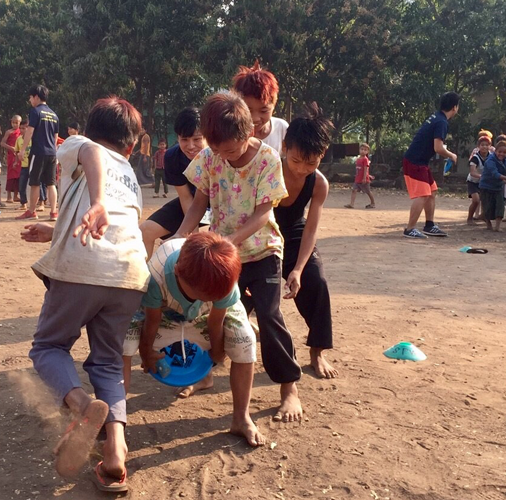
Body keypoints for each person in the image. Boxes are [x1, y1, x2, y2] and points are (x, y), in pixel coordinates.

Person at [21, 97, 148, 492]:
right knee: (108, 363)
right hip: (130, 272)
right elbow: (111, 222)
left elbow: (91, 152)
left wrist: (96, 203)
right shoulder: (130, 174)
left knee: (48, 348)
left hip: (83, 268)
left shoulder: (82, 146)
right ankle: (115, 453)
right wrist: (56, 229)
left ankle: (80, 408)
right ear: (131, 146)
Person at [175, 91, 303, 423]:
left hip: (262, 252)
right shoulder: (209, 156)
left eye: (229, 150)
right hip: (223, 255)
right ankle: (204, 374)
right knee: (208, 317)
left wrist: (230, 241)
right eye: (215, 149)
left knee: (270, 316)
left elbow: (263, 213)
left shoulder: (268, 159)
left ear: (248, 134)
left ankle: (289, 388)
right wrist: (179, 237)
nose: (222, 156)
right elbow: (199, 203)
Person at [122, 233, 264, 446]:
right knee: (123, 341)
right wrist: (146, 350)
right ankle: (116, 418)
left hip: (211, 314)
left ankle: (241, 417)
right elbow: (152, 319)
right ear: (178, 273)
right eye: (201, 295)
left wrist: (217, 353)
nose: (204, 299)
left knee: (245, 339)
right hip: (164, 309)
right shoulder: (156, 275)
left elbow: (216, 320)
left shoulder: (223, 276)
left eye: (211, 297)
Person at [275, 104, 339, 380]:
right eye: (297, 160)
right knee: (246, 287)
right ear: (285, 147)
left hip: (295, 231)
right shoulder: (268, 170)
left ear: (322, 155)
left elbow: (311, 228)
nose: (302, 169)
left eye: (311, 163)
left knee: (317, 282)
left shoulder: (319, 184)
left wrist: (298, 269)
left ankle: (317, 350)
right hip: (262, 230)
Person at [139, 108, 207, 257]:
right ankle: (145, 280)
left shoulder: (219, 154)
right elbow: (186, 197)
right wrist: (190, 236)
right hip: (193, 202)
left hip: (223, 203)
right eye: (184, 139)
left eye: (197, 139)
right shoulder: (172, 157)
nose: (190, 146)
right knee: (145, 231)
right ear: (177, 138)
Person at [402, 92, 460, 238]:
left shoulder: (436, 117)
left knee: (432, 191)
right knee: (423, 194)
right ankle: (410, 229)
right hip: (415, 161)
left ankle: (429, 225)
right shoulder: (441, 122)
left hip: (420, 160)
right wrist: (452, 155)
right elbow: (438, 148)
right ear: (454, 107)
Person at [17, 85, 59, 221]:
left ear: (36, 97)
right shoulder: (54, 114)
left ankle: (32, 211)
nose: (30, 100)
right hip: (52, 152)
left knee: (34, 182)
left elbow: (30, 131)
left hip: (38, 152)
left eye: (30, 97)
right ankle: (53, 212)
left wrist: (22, 149)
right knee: (51, 184)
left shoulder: (35, 111)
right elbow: (55, 137)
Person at [232, 61, 288, 155]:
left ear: (274, 106)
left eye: (263, 111)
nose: (255, 118)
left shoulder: (282, 129)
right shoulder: (230, 131)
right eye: (248, 110)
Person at [479, 141, 506, 232]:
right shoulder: (490, 160)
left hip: (498, 187)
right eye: (499, 151)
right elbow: (496, 174)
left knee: (500, 205)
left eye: (504, 152)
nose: (501, 154)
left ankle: (497, 226)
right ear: (495, 151)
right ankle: (488, 223)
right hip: (486, 186)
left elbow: (504, 171)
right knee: (487, 206)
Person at [466, 134, 490, 224]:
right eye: (482, 145)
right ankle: (469, 218)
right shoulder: (475, 158)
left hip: (484, 183)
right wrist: (482, 176)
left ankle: (484, 217)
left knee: (486, 201)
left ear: (490, 146)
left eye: (486, 145)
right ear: (478, 146)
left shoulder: (491, 157)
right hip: (473, 182)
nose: (484, 147)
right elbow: (473, 172)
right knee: (476, 200)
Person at [345, 143, 375, 209]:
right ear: (359, 150)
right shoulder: (358, 159)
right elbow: (359, 169)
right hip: (358, 178)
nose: (363, 151)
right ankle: (351, 204)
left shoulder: (365, 159)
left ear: (367, 152)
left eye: (365, 150)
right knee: (354, 190)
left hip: (364, 179)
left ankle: (373, 203)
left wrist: (365, 177)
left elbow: (365, 169)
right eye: (362, 149)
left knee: (368, 191)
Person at [1, 115, 23, 204]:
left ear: (20, 123)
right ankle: (9, 196)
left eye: (16, 122)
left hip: (19, 156)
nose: (14, 124)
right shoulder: (9, 132)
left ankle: (16, 196)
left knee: (18, 176)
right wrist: (10, 148)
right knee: (10, 175)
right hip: (11, 156)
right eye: (13, 122)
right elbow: (2, 143)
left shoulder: (22, 132)